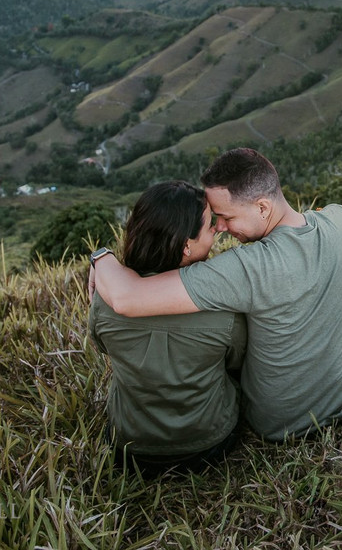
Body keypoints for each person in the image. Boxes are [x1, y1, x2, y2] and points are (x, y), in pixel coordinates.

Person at [90, 148, 342, 442]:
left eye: (226, 216)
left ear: (262, 208)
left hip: (279, 423)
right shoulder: (338, 221)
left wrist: (102, 258)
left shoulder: (246, 268)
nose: (221, 227)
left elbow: (126, 298)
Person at [88, 180, 247, 475]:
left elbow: (102, 346)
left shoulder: (105, 302)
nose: (217, 229)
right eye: (210, 225)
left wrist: (101, 258)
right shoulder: (222, 308)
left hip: (131, 447)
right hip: (208, 443)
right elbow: (237, 361)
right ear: (186, 245)